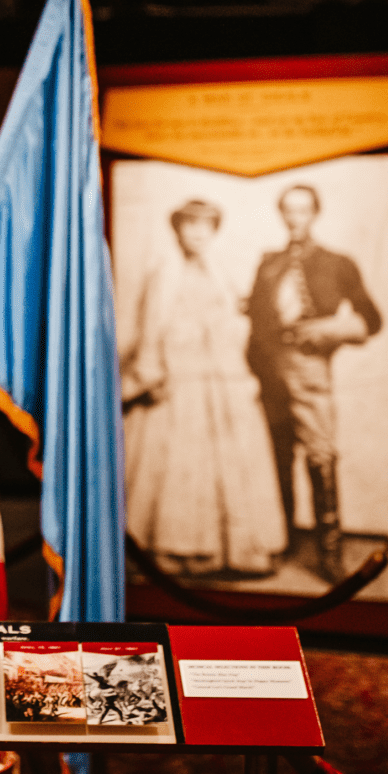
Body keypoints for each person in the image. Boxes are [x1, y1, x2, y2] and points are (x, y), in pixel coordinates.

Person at [123, 199, 286, 576]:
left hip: (222, 379)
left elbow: (236, 321)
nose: (197, 232)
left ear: (215, 231)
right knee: (179, 463)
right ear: (177, 229)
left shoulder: (221, 272)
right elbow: (151, 327)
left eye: (206, 225)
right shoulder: (164, 272)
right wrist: (150, 373)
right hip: (179, 381)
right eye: (189, 224)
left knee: (233, 461)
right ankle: (177, 549)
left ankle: (232, 550)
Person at [246, 184, 382, 583]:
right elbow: (256, 320)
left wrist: (329, 329)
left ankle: (329, 556)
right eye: (288, 210)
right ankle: (285, 542)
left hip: (310, 370)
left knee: (320, 456)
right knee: (278, 455)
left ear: (315, 213)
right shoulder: (267, 264)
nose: (295, 218)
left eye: (302, 210)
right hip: (268, 371)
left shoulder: (337, 263)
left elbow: (371, 320)